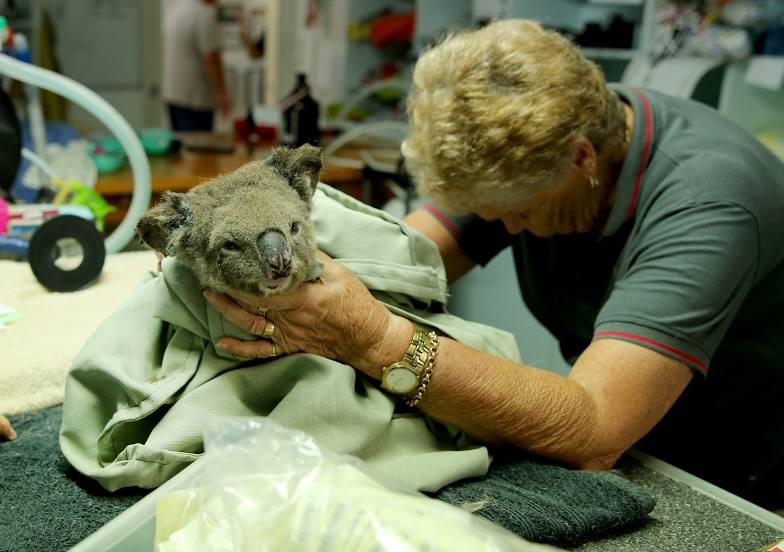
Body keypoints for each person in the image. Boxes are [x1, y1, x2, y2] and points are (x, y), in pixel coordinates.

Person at [203, 19, 784, 509]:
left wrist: (378, 339)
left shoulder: (710, 201)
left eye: (515, 214)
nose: (501, 228)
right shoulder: (536, 143)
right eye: (485, 214)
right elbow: (396, 263)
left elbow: (595, 427)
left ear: (582, 158)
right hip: (636, 439)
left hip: (741, 463)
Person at [161, 0, 230, 132]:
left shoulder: (175, 11)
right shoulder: (204, 15)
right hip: (196, 99)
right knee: (197, 148)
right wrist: (223, 94)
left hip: (172, 95)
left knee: (182, 146)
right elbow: (211, 58)